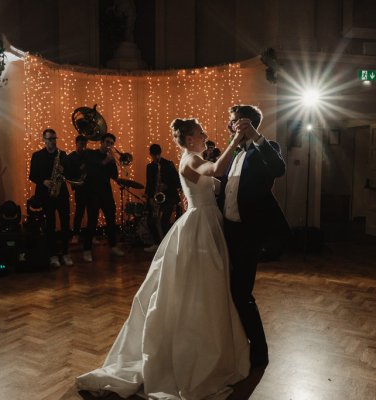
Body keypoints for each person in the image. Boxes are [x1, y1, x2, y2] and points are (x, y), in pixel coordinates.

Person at [76, 118, 249, 399]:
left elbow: (215, 184)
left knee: (207, 285)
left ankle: (208, 341)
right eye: (201, 132)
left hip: (207, 221)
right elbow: (217, 169)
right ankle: (196, 349)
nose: (206, 135)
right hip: (200, 226)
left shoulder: (192, 158)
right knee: (201, 286)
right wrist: (236, 140)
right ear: (190, 139)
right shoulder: (191, 159)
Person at [219, 104, 287, 369]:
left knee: (242, 293)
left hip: (248, 234)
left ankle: (260, 352)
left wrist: (257, 136)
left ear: (249, 123)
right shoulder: (234, 153)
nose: (231, 126)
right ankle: (236, 344)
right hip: (227, 232)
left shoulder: (265, 148)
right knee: (228, 290)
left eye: (235, 121)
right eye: (231, 121)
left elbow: (279, 169)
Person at [29, 128, 73, 268]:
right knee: (50, 226)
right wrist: (44, 181)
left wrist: (64, 170)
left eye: (54, 138)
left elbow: (70, 174)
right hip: (46, 195)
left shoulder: (63, 155)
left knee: (66, 224)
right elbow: (32, 175)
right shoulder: (37, 156)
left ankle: (65, 253)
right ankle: (53, 255)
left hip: (61, 194)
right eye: (49, 139)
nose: (52, 141)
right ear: (44, 140)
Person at [81, 133, 125, 262]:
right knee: (92, 222)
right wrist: (106, 161)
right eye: (107, 142)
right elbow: (92, 170)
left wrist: (112, 162)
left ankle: (113, 246)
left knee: (111, 220)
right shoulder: (91, 154)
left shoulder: (110, 158)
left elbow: (114, 176)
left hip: (106, 192)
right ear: (101, 142)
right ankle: (87, 250)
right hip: (92, 193)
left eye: (111, 143)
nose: (109, 145)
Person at [143, 143, 181, 252]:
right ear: (150, 154)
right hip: (155, 197)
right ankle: (156, 243)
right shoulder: (149, 167)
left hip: (169, 197)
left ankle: (167, 245)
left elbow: (178, 182)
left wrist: (167, 185)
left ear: (160, 153)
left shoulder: (169, 164)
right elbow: (149, 184)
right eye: (154, 155)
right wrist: (149, 198)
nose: (156, 157)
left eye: (158, 155)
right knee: (151, 221)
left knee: (165, 221)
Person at [68, 135, 88, 244]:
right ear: (76, 143)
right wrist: (79, 170)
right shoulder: (71, 157)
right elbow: (69, 174)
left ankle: (91, 235)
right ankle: (75, 234)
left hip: (90, 187)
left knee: (91, 212)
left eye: (85, 144)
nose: (83, 147)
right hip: (80, 188)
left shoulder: (88, 155)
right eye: (81, 144)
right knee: (79, 212)